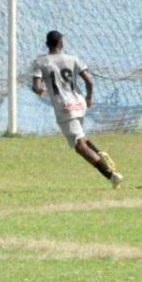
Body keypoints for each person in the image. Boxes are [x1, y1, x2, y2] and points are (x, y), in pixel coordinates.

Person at [32, 30, 123, 189]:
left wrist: (40, 91)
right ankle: (101, 155)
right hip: (79, 103)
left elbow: (36, 86)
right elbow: (89, 81)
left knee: (79, 146)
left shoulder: (40, 62)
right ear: (61, 43)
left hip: (65, 107)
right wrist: (88, 98)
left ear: (47, 44)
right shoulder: (73, 59)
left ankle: (110, 175)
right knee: (81, 138)